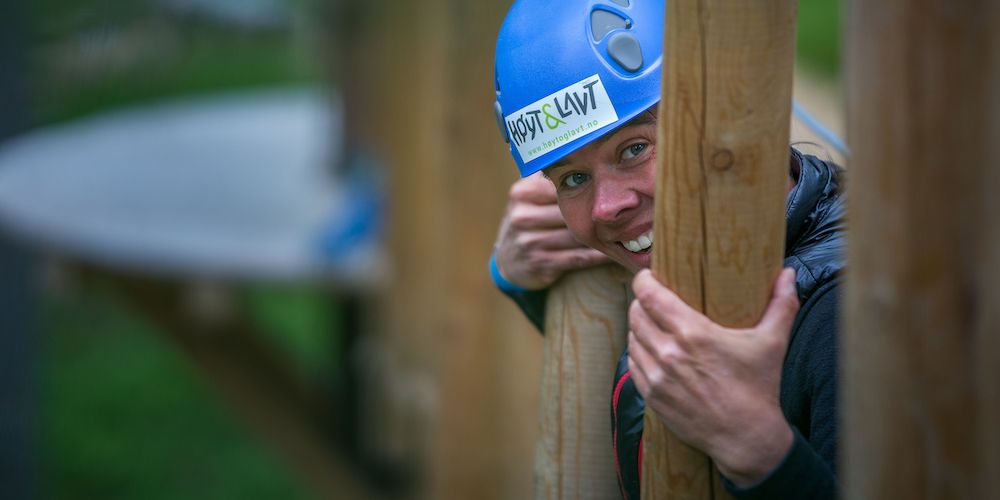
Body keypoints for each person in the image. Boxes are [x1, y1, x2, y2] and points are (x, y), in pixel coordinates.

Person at [489, 1, 844, 499]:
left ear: (726, 119)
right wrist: (516, 277)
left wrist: (759, 450)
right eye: (572, 177)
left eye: (634, 149)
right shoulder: (677, 272)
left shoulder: (844, 315)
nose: (606, 207)